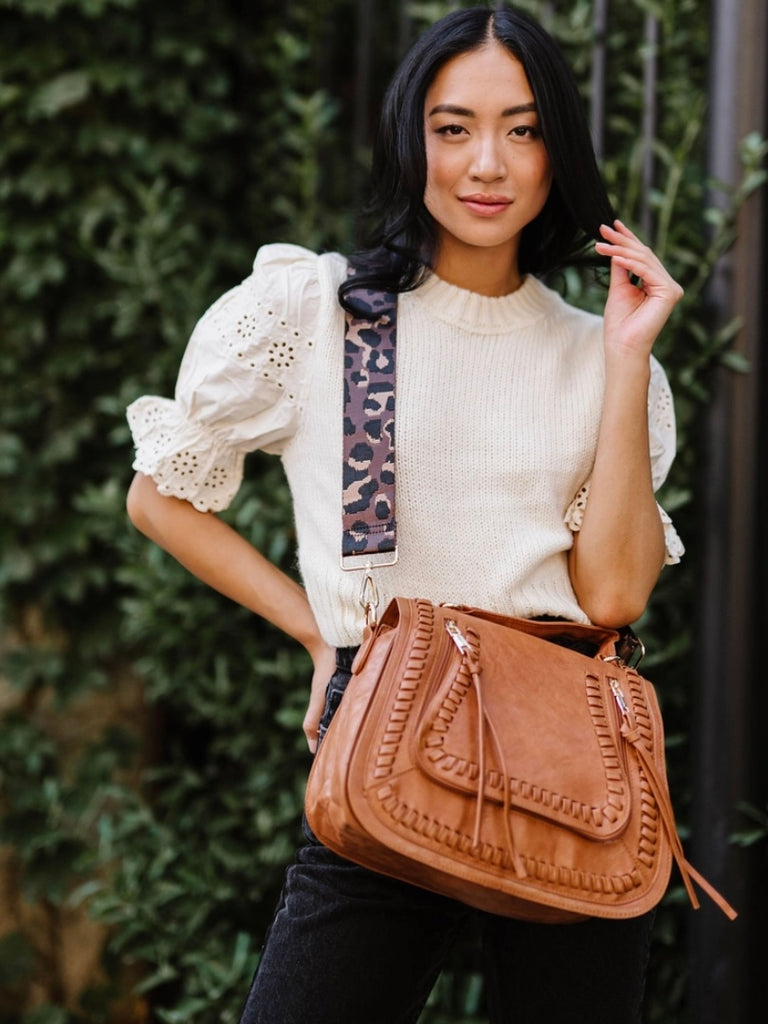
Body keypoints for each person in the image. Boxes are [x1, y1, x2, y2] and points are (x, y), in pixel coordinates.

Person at [125, 5, 685, 1022]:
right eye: (453, 126)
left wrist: (626, 357)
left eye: (522, 129)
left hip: (566, 751)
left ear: (557, 147)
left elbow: (613, 591)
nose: (488, 162)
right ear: (408, 138)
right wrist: (316, 634)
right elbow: (161, 494)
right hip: (386, 733)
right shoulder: (322, 312)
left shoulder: (595, 352)